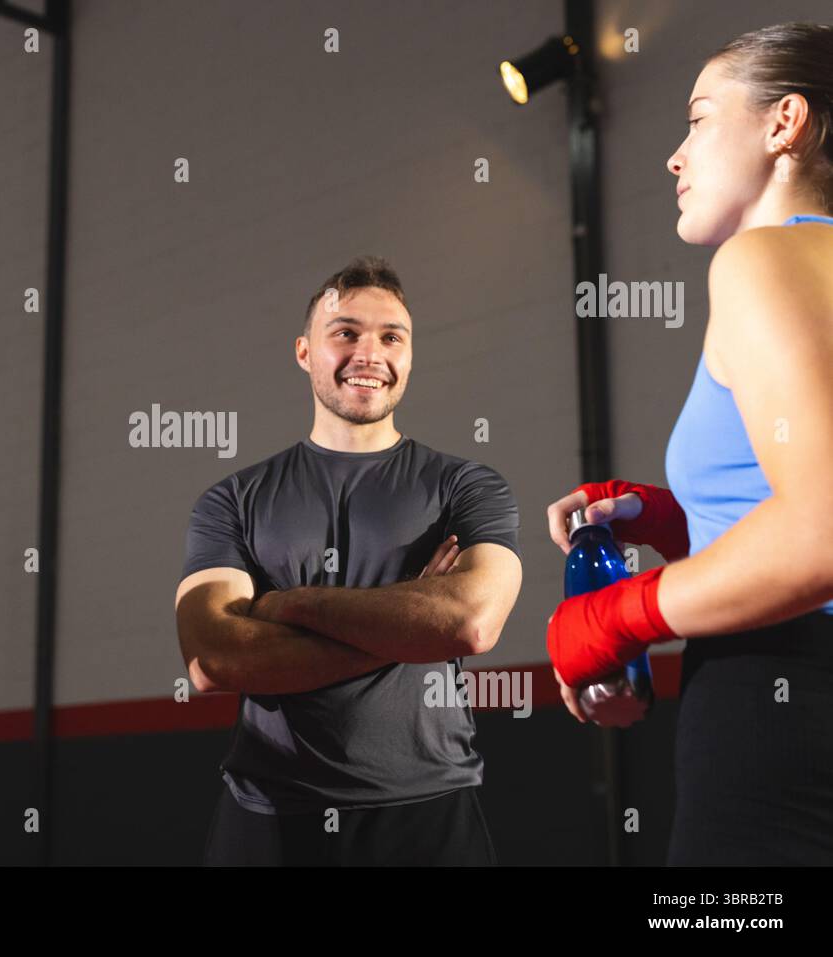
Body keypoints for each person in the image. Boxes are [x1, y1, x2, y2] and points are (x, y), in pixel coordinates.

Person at [544, 22, 833, 865]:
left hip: (779, 701)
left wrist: (617, 615)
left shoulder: (760, 262)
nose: (675, 155)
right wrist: (682, 518)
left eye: (699, 119)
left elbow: (820, 533)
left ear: (785, 123)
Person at [176, 256, 522, 866]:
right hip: (269, 815)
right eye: (346, 333)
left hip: (428, 811)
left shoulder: (467, 487)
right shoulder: (231, 500)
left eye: (392, 337)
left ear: (410, 357)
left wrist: (288, 605)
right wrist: (410, 623)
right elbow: (214, 659)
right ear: (305, 352)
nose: (370, 353)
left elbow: (471, 623)